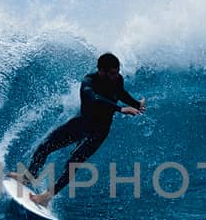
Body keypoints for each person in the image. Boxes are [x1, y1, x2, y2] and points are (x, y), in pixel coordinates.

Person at [18, 52, 145, 207]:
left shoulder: (117, 80)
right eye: (112, 73)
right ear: (101, 70)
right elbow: (94, 99)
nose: (116, 76)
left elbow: (120, 93)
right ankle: (28, 178)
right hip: (82, 124)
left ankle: (46, 197)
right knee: (44, 147)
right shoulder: (88, 82)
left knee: (73, 162)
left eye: (118, 71)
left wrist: (136, 104)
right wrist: (120, 109)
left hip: (99, 131)